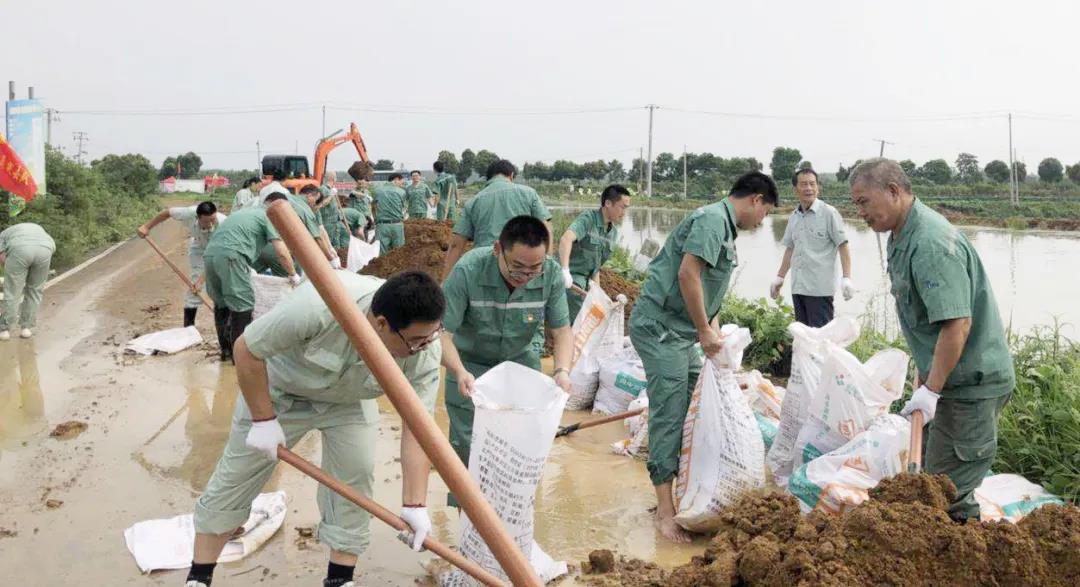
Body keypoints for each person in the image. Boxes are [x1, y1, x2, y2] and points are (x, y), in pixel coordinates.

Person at [184, 271, 445, 587]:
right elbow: (246, 349)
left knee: (356, 475)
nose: (424, 346)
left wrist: (414, 503)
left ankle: (339, 580)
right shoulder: (316, 306)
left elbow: (418, 427)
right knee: (237, 473)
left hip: (349, 401)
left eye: (430, 336)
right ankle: (199, 576)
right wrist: (263, 419)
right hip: (280, 392)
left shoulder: (426, 348)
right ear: (381, 324)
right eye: (416, 341)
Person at [849, 158, 1015, 522]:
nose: (859, 212)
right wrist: (925, 375)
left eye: (863, 202)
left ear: (893, 192)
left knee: (947, 493)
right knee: (931, 479)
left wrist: (932, 390)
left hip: (970, 385)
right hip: (946, 379)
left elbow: (957, 326)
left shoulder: (930, 244)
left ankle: (967, 556)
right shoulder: (901, 236)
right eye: (855, 204)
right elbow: (928, 321)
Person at [628, 171, 778, 543]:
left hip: (681, 331)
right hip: (661, 329)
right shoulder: (713, 220)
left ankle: (683, 493)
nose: (763, 222)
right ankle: (664, 512)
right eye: (766, 213)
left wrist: (714, 330)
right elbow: (687, 274)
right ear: (756, 200)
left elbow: (707, 287)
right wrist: (704, 332)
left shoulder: (724, 228)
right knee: (671, 412)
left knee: (699, 403)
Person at [440, 216, 573, 506]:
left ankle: (513, 527)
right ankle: (471, 533)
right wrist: (459, 371)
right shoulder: (468, 271)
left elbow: (562, 331)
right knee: (469, 450)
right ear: (498, 249)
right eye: (518, 267)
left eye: (533, 269)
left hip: (520, 363)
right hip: (471, 369)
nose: (524, 276)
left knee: (523, 447)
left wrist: (562, 371)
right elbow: (441, 334)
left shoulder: (549, 274)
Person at [202, 194, 299, 362]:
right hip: (232, 256)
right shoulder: (268, 216)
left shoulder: (244, 212)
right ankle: (241, 359)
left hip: (210, 255)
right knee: (243, 306)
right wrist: (292, 274)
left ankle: (226, 352)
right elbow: (281, 252)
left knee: (222, 303)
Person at [770, 168, 854, 326]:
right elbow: (790, 249)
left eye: (812, 184)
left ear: (818, 187)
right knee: (803, 338)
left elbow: (843, 245)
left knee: (821, 340)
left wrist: (847, 278)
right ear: (795, 189)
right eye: (803, 184)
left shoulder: (829, 213)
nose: (808, 188)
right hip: (798, 287)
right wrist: (780, 277)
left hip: (819, 289)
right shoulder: (794, 216)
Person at [441, 159, 552, 280]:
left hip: (485, 269)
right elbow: (546, 229)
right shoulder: (529, 193)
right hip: (522, 267)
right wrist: (548, 267)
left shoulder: (473, 201)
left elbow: (456, 245)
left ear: (488, 178)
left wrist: (445, 281)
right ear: (511, 175)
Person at [138, 201, 228, 327]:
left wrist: (202, 281)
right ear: (197, 217)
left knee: (223, 284)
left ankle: (229, 321)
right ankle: (188, 326)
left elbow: (215, 259)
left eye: (213, 220)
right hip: (198, 246)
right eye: (206, 221)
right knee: (195, 286)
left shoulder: (224, 224)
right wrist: (147, 227)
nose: (211, 224)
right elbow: (167, 213)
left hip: (220, 252)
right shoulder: (189, 213)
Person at [558, 184, 631, 322]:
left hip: (587, 281)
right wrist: (565, 270)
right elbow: (565, 239)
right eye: (622, 207)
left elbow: (596, 268)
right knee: (580, 312)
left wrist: (597, 293)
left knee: (599, 313)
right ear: (608, 203)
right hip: (571, 277)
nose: (624, 213)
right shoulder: (588, 219)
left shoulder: (612, 233)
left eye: (626, 208)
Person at [254, 186, 340, 275]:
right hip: (276, 248)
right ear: (310, 196)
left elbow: (320, 230)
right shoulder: (304, 209)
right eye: (315, 200)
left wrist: (329, 248)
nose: (314, 204)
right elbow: (318, 238)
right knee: (292, 279)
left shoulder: (287, 197)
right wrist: (331, 259)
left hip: (256, 244)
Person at [0, 223, 56, 341]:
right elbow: (52, 246)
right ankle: (26, 328)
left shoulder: (2, 236)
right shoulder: (37, 229)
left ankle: (5, 330)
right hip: (45, 249)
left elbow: (2, 257)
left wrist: (13, 271)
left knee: (12, 292)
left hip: (20, 249)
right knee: (35, 291)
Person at [372, 173, 407, 252]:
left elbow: (373, 207)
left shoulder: (377, 190)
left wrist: (375, 219)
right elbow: (402, 207)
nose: (402, 184)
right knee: (398, 253)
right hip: (397, 225)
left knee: (381, 253)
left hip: (382, 225)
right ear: (396, 179)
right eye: (401, 181)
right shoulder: (402, 192)